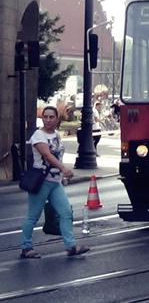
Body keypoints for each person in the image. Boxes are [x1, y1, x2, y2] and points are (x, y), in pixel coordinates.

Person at [20, 106, 90, 258]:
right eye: (45, 117)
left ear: (57, 119)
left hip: (55, 181)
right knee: (33, 216)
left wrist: (61, 174)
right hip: (41, 181)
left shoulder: (57, 134)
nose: (48, 120)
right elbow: (47, 155)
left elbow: (58, 155)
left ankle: (71, 247)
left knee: (65, 213)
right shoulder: (38, 135)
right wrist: (64, 169)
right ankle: (26, 248)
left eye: (51, 117)